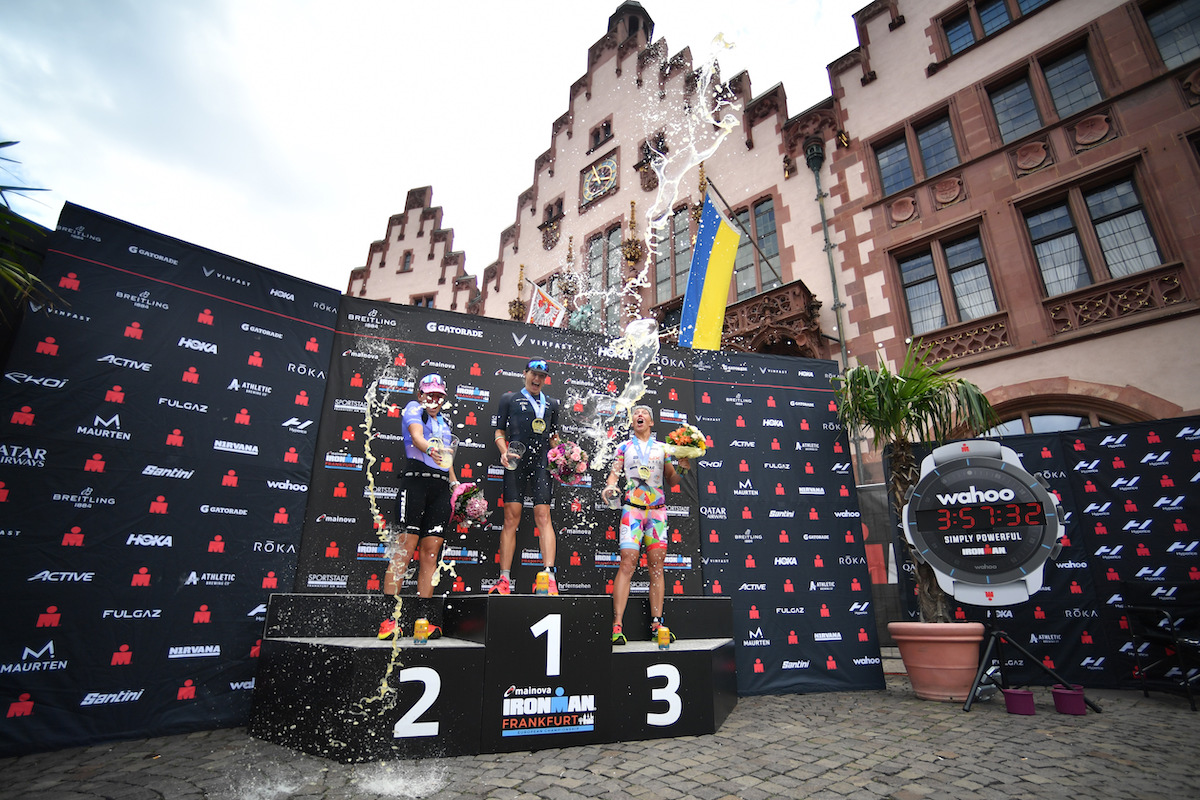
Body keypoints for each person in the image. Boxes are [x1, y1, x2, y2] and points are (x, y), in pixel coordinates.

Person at [379, 373, 457, 639]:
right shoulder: (414, 409)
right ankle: (389, 621)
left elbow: (448, 457)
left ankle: (422, 620)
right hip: (415, 483)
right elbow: (417, 438)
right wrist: (430, 450)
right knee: (405, 549)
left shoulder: (444, 422)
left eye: (438, 395)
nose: (433, 399)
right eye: (429, 394)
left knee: (431, 553)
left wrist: (457, 486)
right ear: (420, 393)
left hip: (439, 487)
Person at [601, 404, 688, 644]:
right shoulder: (624, 447)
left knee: (656, 566)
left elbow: (672, 479)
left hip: (657, 513)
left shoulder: (662, 448)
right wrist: (609, 486)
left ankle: (657, 624)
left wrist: (683, 467)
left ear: (651, 422)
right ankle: (617, 625)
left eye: (645, 413)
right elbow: (614, 474)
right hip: (632, 511)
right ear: (632, 422)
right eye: (636, 413)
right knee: (627, 563)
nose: (639, 415)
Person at [491, 358, 561, 595]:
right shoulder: (509, 399)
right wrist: (504, 452)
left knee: (544, 515)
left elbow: (554, 438)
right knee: (511, 518)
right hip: (516, 461)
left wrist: (564, 456)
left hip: (542, 463)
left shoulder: (552, 404)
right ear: (525, 374)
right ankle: (504, 579)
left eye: (542, 376)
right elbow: (499, 431)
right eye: (534, 374)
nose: (537, 379)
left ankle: (549, 576)